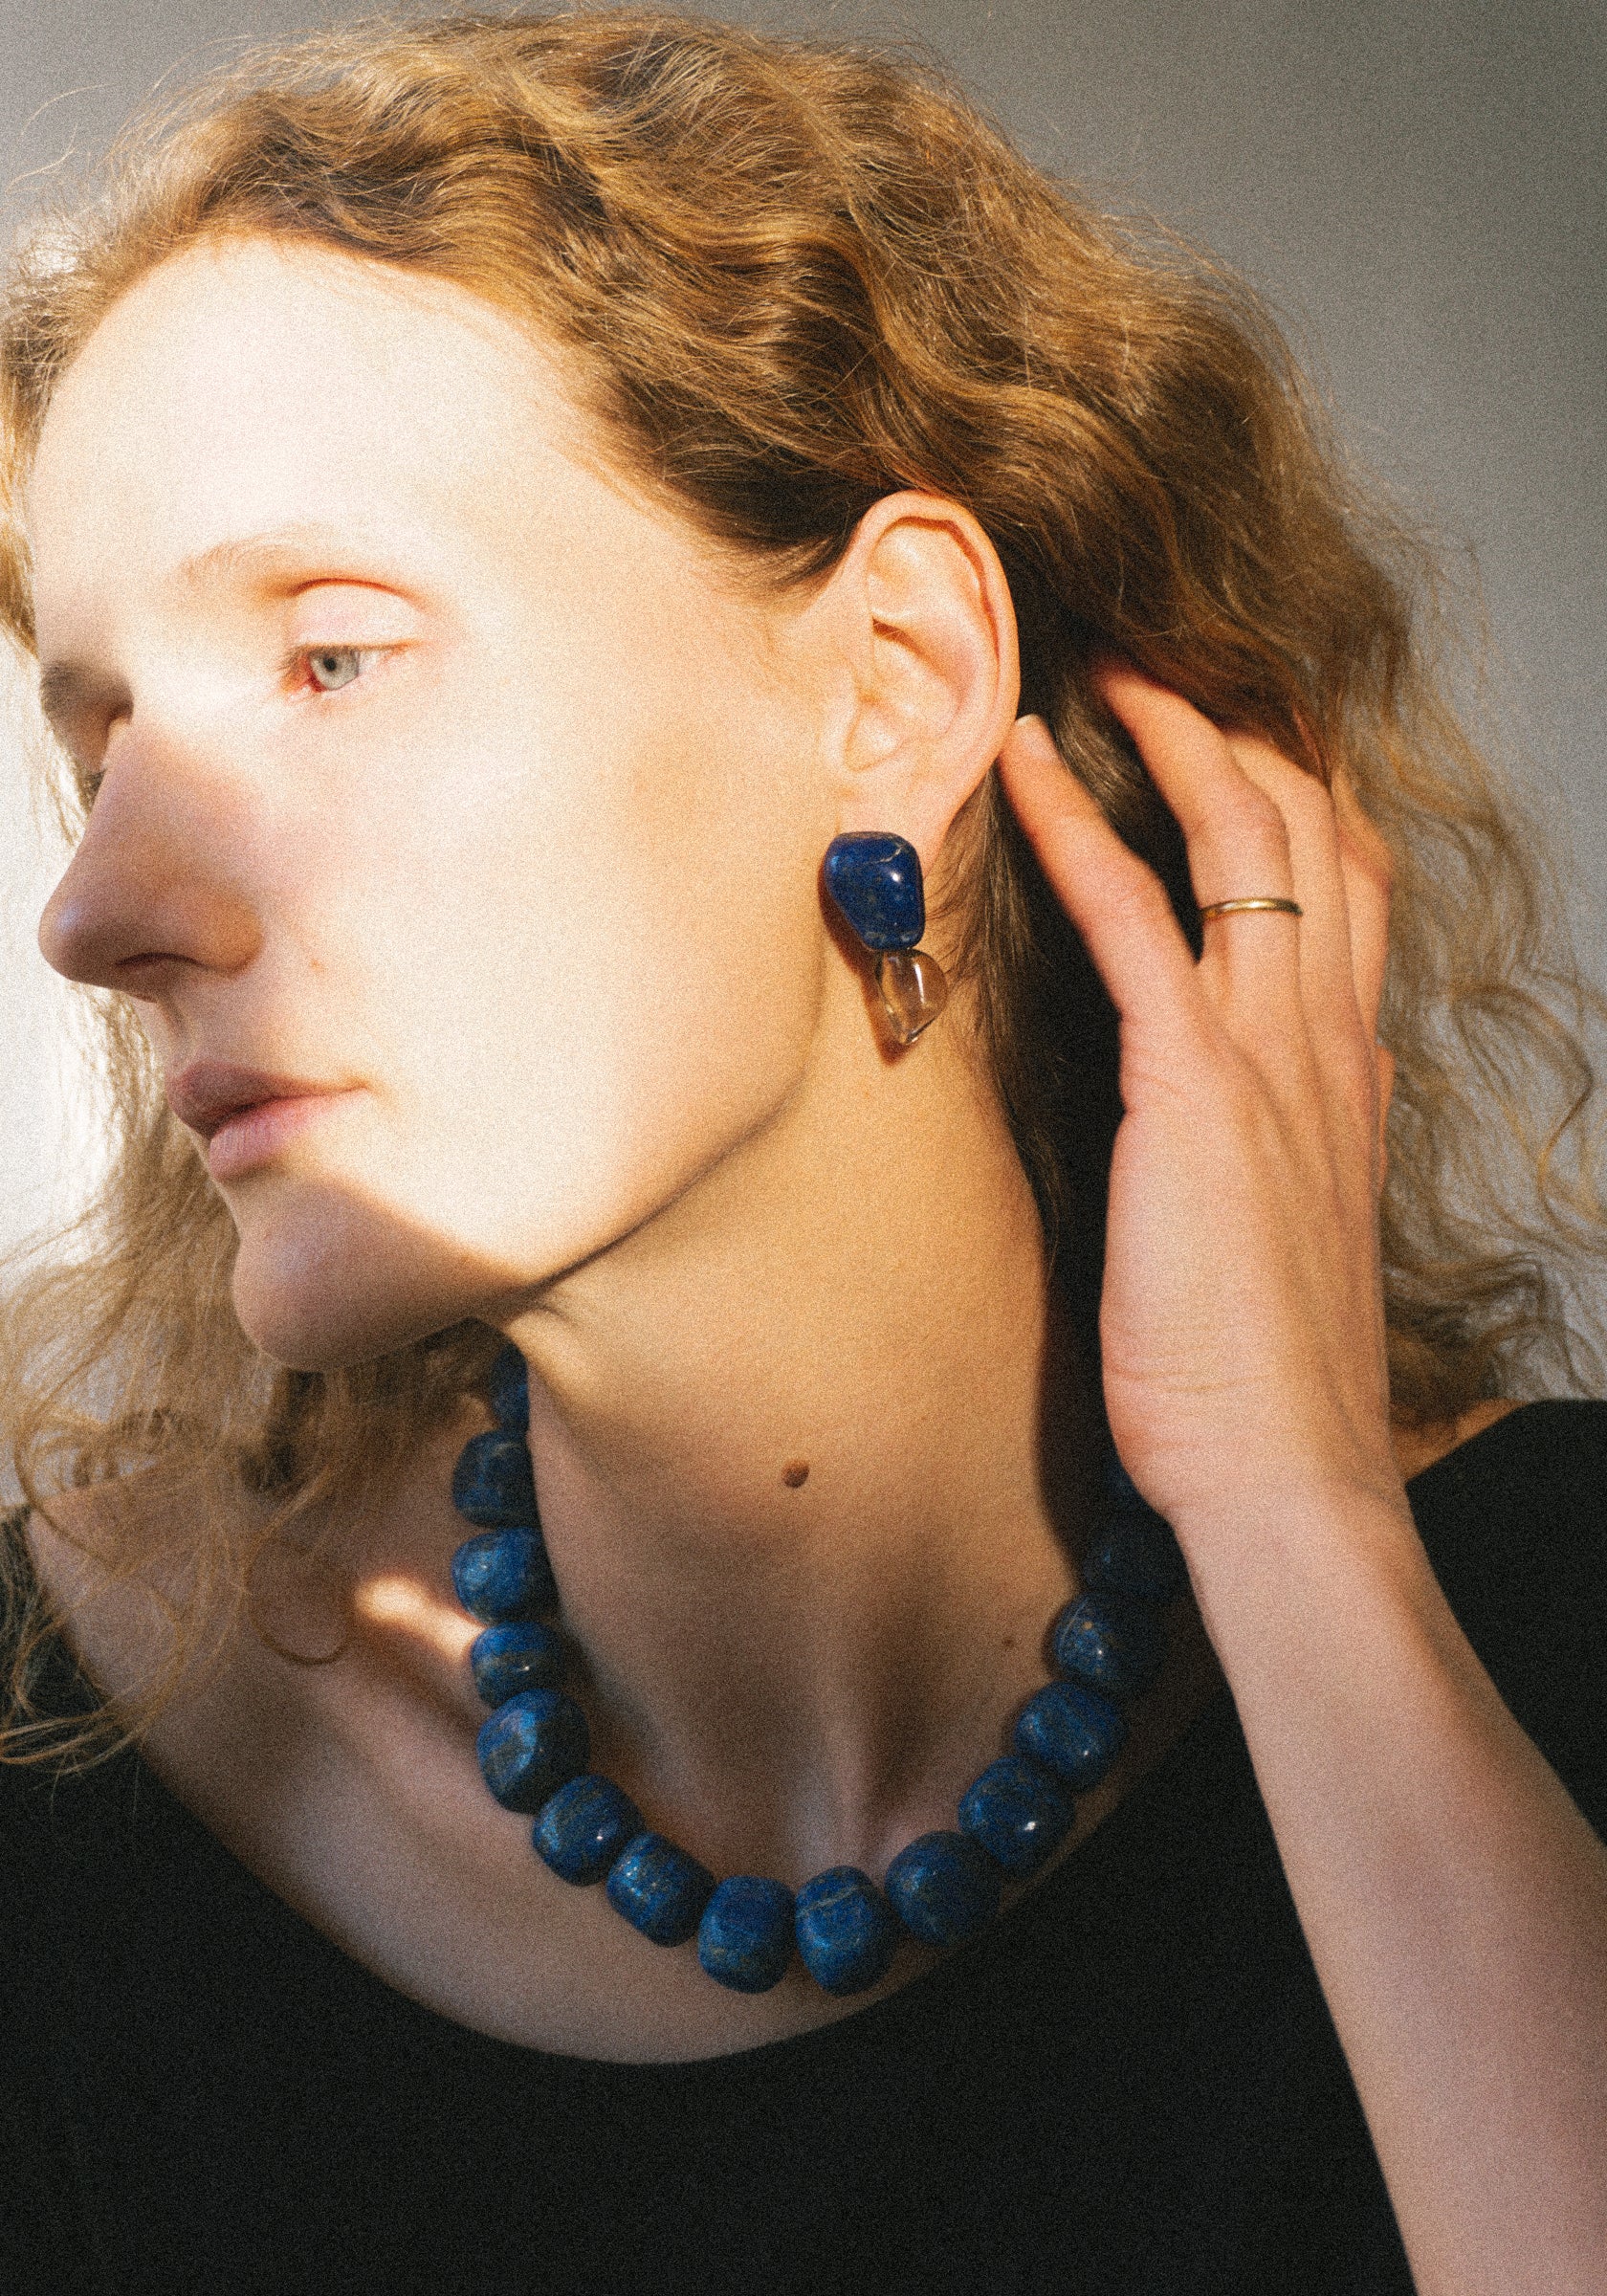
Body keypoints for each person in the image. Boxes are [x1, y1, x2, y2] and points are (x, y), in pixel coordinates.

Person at [1, 11, 1603, 2291]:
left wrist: (1297, 1520)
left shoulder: (1549, 1644)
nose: (97, 913)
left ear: (897, 683)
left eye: (334, 660)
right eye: (102, 740)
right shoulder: (64, 1773)